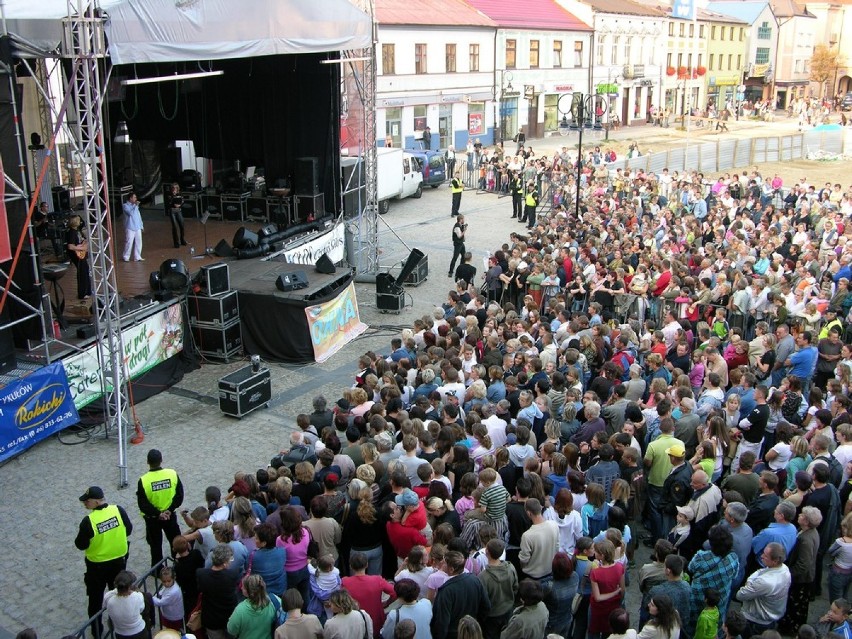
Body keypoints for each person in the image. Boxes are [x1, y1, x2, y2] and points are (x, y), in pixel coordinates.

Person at [75, 485, 133, 636]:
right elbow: (129, 529)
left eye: (87, 501)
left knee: (95, 600)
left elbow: (81, 544)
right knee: (119, 593)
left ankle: (97, 631)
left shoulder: (89, 521)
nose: (85, 504)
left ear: (95, 502)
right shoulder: (118, 510)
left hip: (97, 567)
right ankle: (120, 623)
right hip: (119, 562)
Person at [137, 448, 183, 567]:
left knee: (155, 544)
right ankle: (178, 561)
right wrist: (169, 509)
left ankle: (157, 568)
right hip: (170, 515)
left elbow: (143, 504)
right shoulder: (172, 474)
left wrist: (158, 514)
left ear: (147, 462)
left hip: (152, 519)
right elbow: (179, 496)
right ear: (161, 460)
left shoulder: (143, 480)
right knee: (174, 539)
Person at [431, 551, 492, 639]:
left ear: (451, 569)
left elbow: (442, 623)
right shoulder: (475, 580)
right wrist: (475, 624)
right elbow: (486, 607)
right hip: (471, 632)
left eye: (444, 563)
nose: (441, 564)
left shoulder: (446, 592)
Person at [736, 542, 792, 637]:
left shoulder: (765, 582)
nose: (761, 556)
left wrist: (749, 582)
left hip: (755, 621)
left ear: (774, 561)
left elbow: (740, 595)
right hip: (771, 618)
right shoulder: (784, 569)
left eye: (765, 555)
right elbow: (761, 571)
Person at [342, 551, 396, 632]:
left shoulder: (344, 582)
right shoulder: (377, 580)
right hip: (375, 620)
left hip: (354, 623)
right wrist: (387, 603)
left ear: (351, 566)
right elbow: (395, 592)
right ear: (367, 565)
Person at [197, 544, 241, 639]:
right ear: (225, 563)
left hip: (211, 619)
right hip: (229, 617)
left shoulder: (201, 574)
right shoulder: (232, 575)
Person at [227, 573, 277, 639]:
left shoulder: (240, 610)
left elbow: (231, 630)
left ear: (249, 592)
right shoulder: (275, 600)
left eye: (244, 587)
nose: (241, 588)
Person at [103, 570, 146, 639]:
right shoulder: (138, 596)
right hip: (138, 631)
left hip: (121, 633)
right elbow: (141, 609)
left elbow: (107, 600)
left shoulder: (109, 598)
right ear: (130, 587)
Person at [66, 214, 91, 299]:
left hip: (81, 253)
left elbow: (83, 240)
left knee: (85, 270)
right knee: (82, 272)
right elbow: (70, 246)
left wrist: (84, 244)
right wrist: (80, 247)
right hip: (76, 254)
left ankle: (87, 291)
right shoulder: (71, 232)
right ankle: (82, 293)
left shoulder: (78, 231)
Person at [151, 565, 184, 631]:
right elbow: (163, 590)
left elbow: (160, 602)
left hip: (174, 617)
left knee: (174, 631)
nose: (166, 584)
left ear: (173, 578)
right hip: (171, 614)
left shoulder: (173, 592)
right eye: (164, 581)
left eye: (168, 581)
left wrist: (151, 597)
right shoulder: (172, 586)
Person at [121, 192, 144, 262]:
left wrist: (141, 225)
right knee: (129, 242)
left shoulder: (136, 207)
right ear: (130, 198)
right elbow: (130, 213)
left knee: (139, 242)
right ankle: (126, 256)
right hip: (130, 227)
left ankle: (137, 256)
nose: (135, 199)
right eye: (134, 197)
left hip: (137, 227)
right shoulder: (125, 206)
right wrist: (135, 206)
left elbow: (138, 216)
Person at [167, 182, 187, 248]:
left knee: (182, 225)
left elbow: (183, 201)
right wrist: (173, 196)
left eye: (175, 188)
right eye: (173, 188)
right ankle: (176, 242)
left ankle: (182, 240)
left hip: (178, 210)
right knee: (175, 227)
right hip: (172, 211)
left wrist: (180, 205)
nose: (174, 189)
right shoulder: (169, 194)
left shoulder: (180, 194)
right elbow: (169, 202)